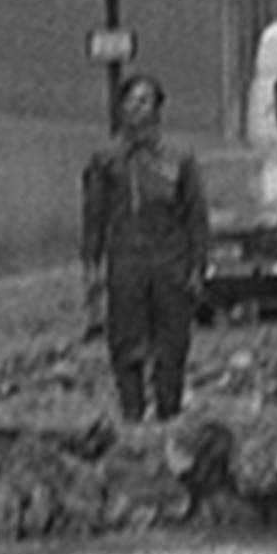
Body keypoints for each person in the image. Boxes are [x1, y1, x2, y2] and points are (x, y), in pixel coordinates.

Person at [81, 74, 207, 423]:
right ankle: (132, 415)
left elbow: (195, 215)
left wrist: (198, 267)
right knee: (126, 343)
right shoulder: (105, 159)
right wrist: (92, 268)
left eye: (144, 101)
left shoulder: (178, 158)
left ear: (157, 110)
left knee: (172, 344)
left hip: (170, 262)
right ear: (120, 109)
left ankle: (169, 411)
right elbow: (94, 216)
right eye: (130, 102)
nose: (136, 109)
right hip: (126, 263)